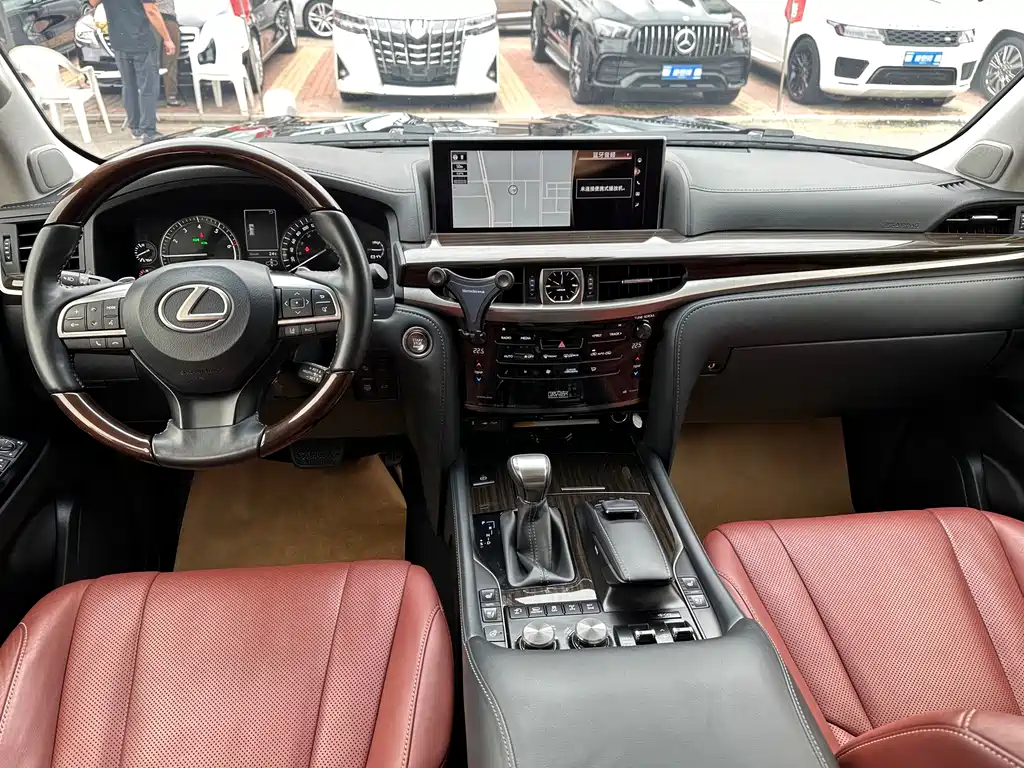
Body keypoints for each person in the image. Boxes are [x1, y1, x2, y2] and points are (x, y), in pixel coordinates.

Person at [90, 0, 175, 142]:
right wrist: (167, 38)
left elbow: (93, 2)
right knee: (148, 87)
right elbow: (151, 10)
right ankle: (148, 131)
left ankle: (135, 128)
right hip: (141, 40)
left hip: (119, 40)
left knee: (129, 85)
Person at [155, 0, 182, 107]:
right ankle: (171, 96)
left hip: (153, 18)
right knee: (170, 60)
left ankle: (151, 94)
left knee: (152, 59)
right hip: (163, 17)